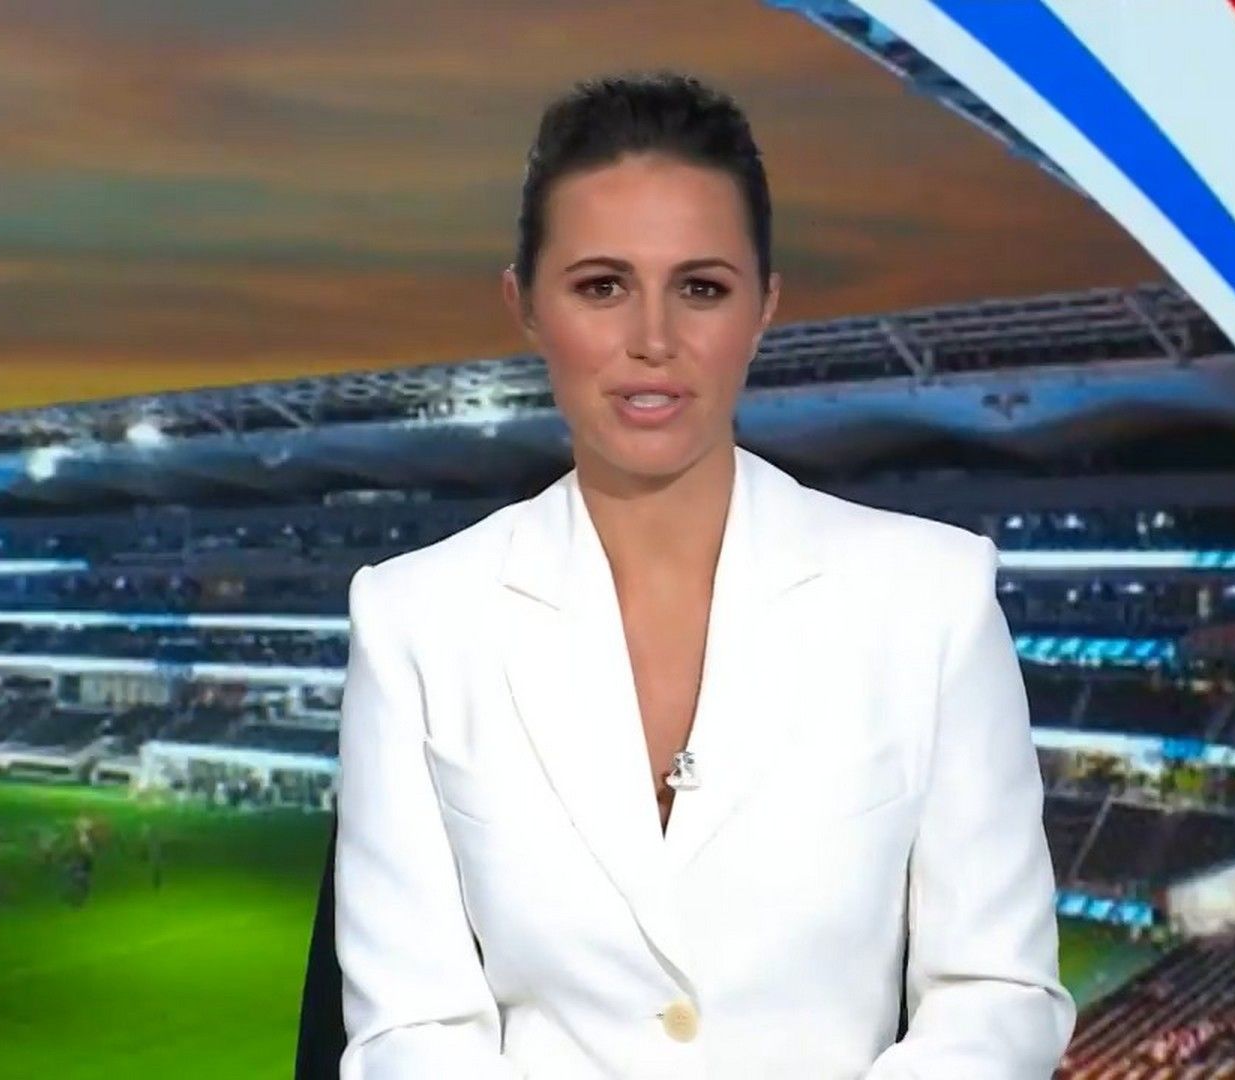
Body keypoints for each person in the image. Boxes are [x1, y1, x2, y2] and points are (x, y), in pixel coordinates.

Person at [332, 70, 1074, 1078]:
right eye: (602, 286)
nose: (653, 341)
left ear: (764, 306)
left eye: (702, 288)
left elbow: (997, 993)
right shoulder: (416, 619)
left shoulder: (932, 598)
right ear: (526, 305)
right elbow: (409, 1034)